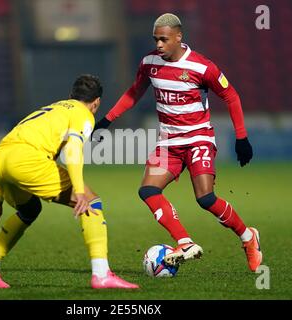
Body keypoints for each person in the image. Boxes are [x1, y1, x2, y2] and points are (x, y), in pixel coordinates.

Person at [93, 14, 262, 272]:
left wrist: (242, 137)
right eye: (156, 39)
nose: (159, 44)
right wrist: (107, 120)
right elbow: (134, 93)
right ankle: (184, 242)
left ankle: (248, 237)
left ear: (178, 37)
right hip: (169, 142)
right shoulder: (149, 63)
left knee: (205, 198)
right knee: (148, 190)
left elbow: (231, 96)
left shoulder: (202, 67)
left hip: (198, 139)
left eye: (164, 39)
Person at [0, 74, 139, 289]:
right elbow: (73, 150)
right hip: (26, 161)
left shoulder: (52, 108)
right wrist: (79, 191)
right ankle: (101, 274)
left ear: (70, 95)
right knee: (92, 202)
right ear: (96, 102)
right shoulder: (84, 115)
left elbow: (14, 151)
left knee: (29, 210)